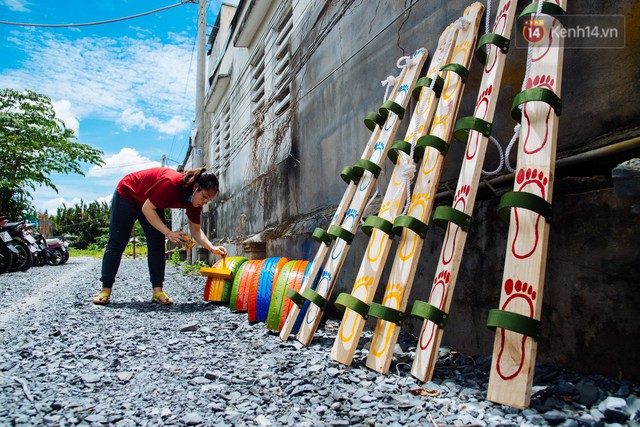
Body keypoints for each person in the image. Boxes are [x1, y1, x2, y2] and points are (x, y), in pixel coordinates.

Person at [92, 167, 227, 305]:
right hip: (129, 195)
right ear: (196, 187)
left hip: (152, 204)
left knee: (157, 244)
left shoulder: (195, 203)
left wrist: (212, 248)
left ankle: (158, 292)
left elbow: (196, 230)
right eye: (204, 197)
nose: (204, 203)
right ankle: (105, 290)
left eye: (208, 201)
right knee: (117, 242)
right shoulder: (171, 183)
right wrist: (168, 233)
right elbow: (146, 208)